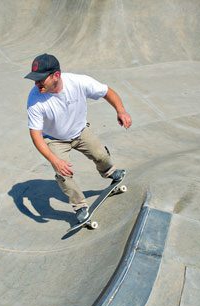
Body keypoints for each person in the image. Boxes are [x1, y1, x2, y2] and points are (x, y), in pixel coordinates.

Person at [24, 53, 132, 222]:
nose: (36, 84)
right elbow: (35, 135)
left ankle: (109, 172)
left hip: (80, 131)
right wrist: (54, 160)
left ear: (56, 75)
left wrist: (121, 110)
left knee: (101, 155)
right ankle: (80, 205)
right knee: (63, 173)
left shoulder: (79, 82)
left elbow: (107, 92)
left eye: (40, 80)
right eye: (35, 80)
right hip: (54, 139)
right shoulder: (35, 99)